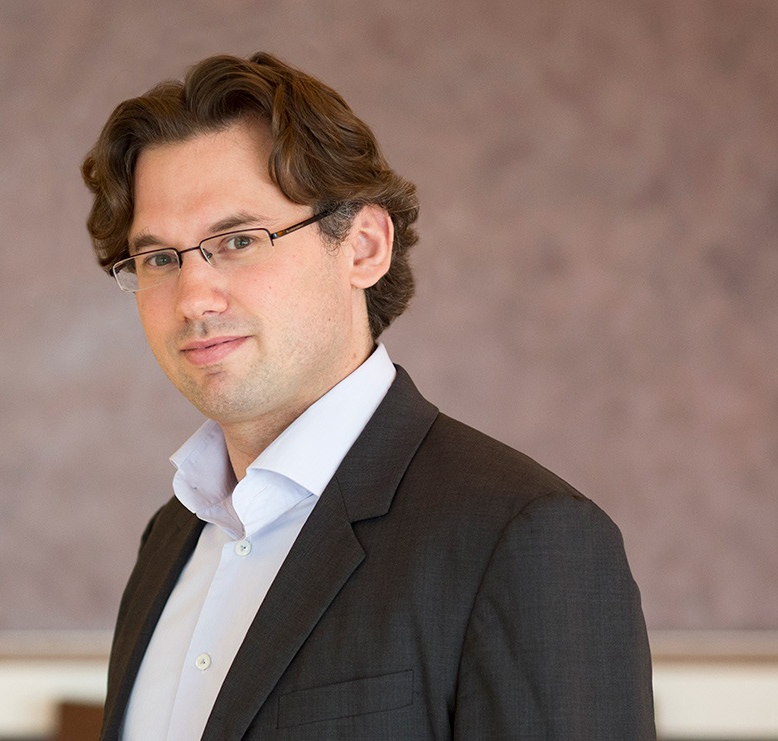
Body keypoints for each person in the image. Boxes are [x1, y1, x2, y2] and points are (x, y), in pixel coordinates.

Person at [81, 52, 655, 740]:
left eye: (237, 240)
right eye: (158, 258)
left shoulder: (524, 538)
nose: (193, 298)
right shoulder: (169, 538)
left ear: (363, 247)